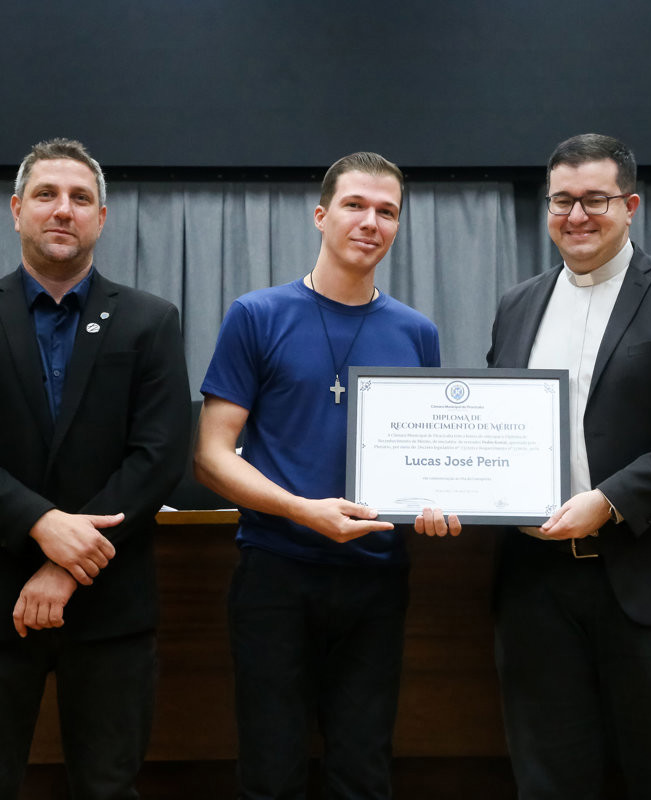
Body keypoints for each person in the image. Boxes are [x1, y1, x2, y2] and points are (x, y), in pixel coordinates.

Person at [0, 138, 192, 798]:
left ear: (102, 216)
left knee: (109, 787)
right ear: (16, 210)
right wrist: (42, 525)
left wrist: (66, 564)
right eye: (46, 195)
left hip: (111, 606)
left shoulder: (151, 321)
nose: (62, 210)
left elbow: (158, 457)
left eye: (79, 198)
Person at [482, 133, 651, 798]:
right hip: (535, 586)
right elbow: (495, 424)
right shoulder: (518, 302)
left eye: (595, 200)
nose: (577, 216)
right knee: (548, 781)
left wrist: (611, 499)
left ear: (631, 205)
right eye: (562, 201)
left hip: (648, 579)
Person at [193, 151, 460, 799]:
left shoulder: (416, 333)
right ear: (321, 215)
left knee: (363, 769)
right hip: (275, 574)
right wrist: (299, 509)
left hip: (375, 577)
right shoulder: (256, 315)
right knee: (272, 767)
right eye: (355, 205)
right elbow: (211, 455)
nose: (371, 221)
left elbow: (429, 454)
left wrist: (438, 500)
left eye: (387, 211)